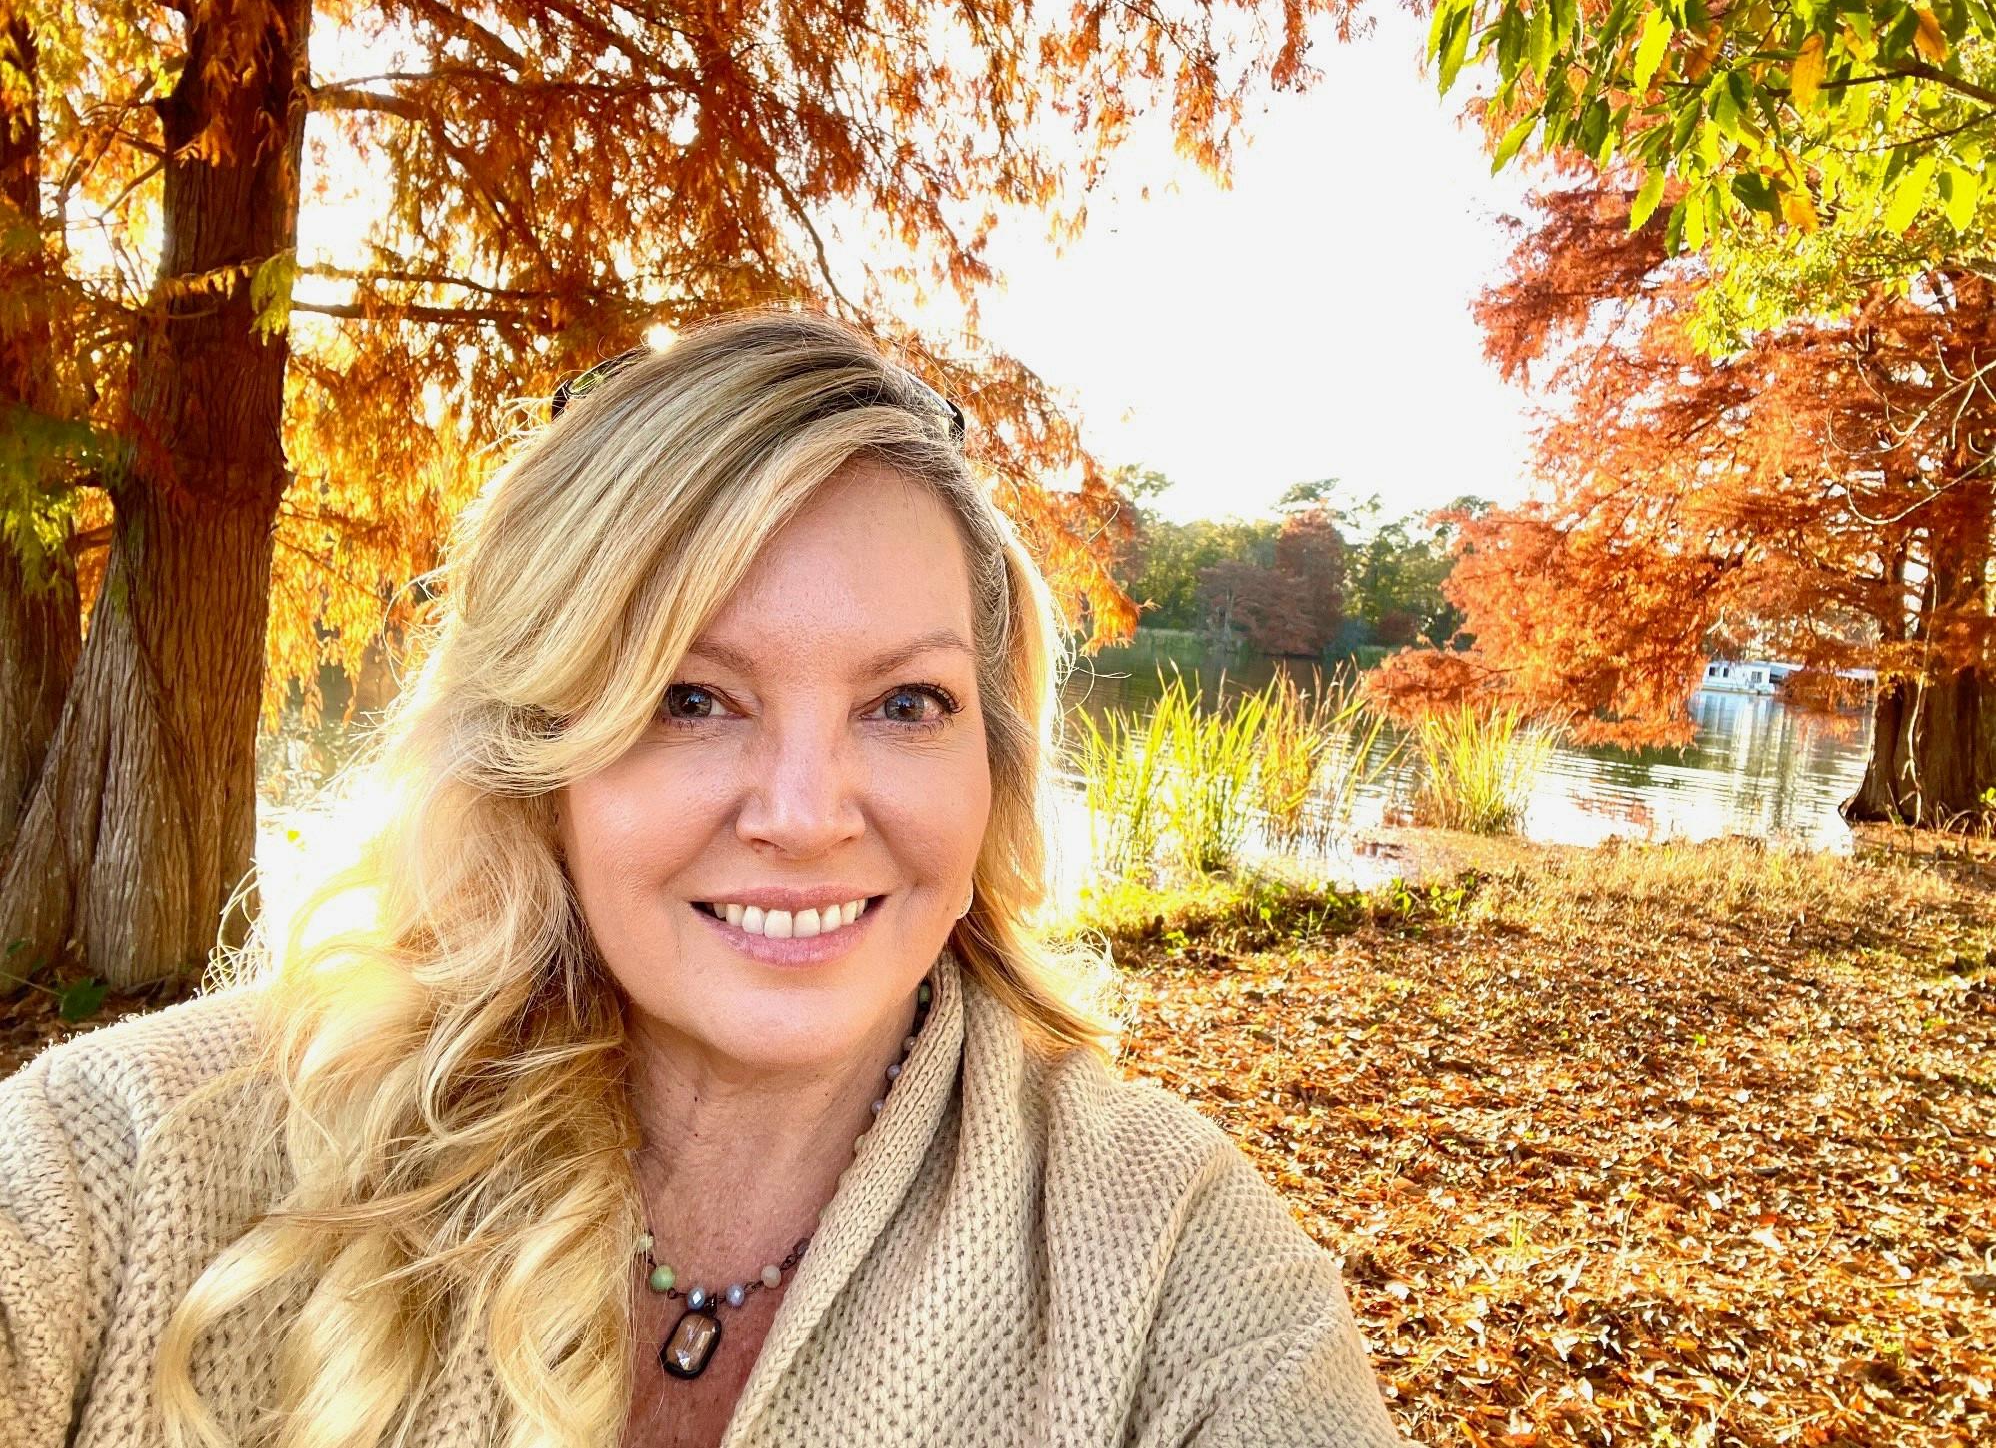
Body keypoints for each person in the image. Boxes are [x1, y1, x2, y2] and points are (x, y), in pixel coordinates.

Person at [0, 310, 1403, 1447]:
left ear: (994, 761)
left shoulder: (1170, 1264)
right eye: (690, 697)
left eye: (905, 703)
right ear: (535, 752)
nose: (805, 815)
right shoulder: (127, 1164)